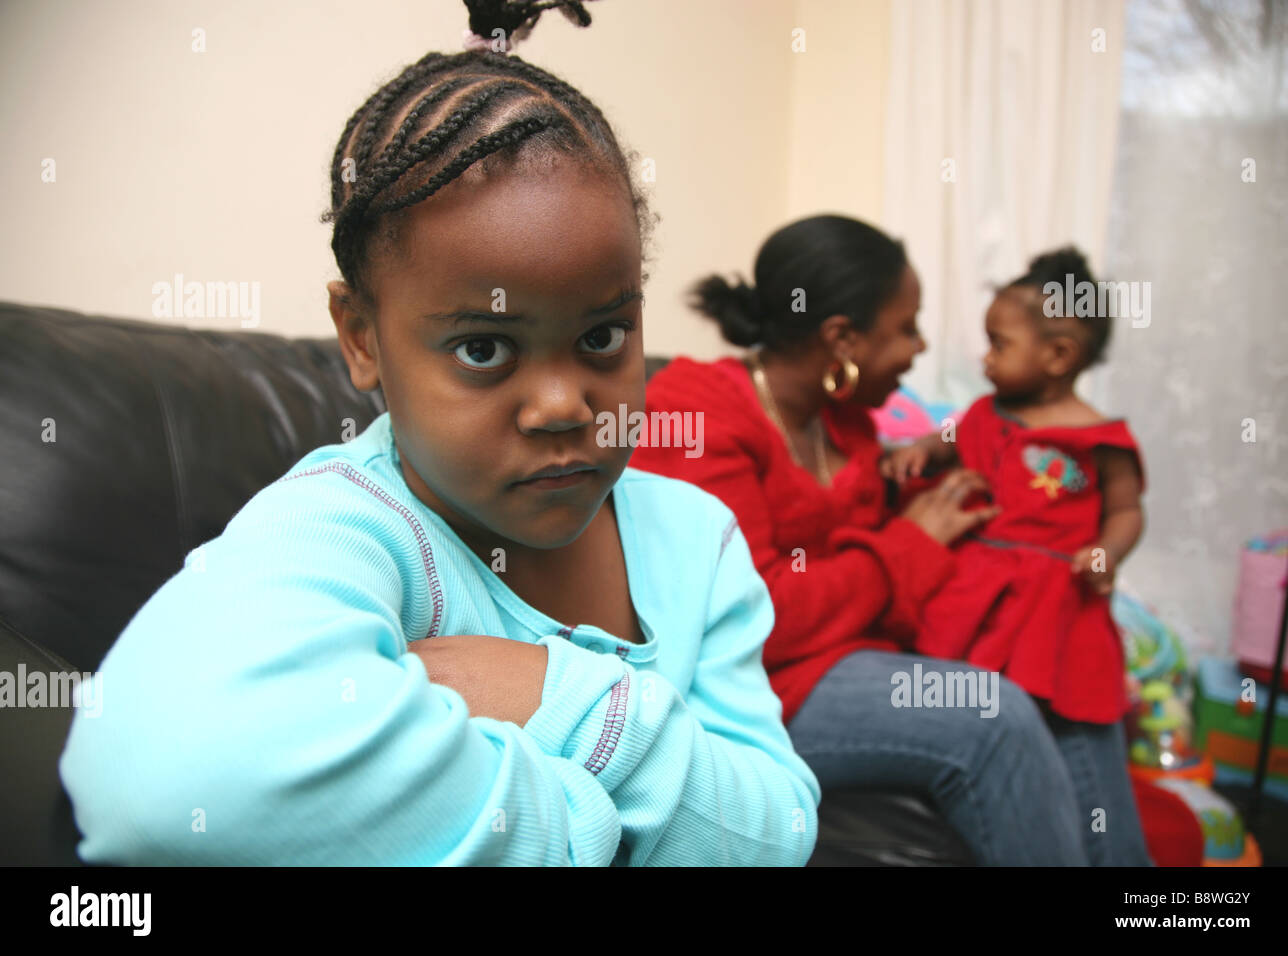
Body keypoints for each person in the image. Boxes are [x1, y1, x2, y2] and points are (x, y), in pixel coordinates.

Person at [58, 0, 819, 867]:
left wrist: (553, 696)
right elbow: (160, 782)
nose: (564, 405)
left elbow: (776, 833)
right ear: (360, 337)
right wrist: (590, 827)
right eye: (485, 348)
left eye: (603, 335)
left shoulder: (697, 542)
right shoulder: (350, 525)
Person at [631, 215, 1097, 865]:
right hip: (756, 685)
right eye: (906, 327)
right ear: (841, 338)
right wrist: (911, 542)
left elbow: (873, 535)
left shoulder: (846, 424)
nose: (920, 346)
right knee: (991, 714)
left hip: (851, 657)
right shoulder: (698, 409)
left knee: (1067, 680)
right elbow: (756, 615)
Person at [887, 248, 1150, 866]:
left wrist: (1106, 553)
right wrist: (918, 450)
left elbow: (1127, 512)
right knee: (985, 726)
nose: (985, 358)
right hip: (978, 599)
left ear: (1058, 356)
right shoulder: (983, 414)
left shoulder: (1102, 440)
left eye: (998, 344)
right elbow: (946, 442)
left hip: (1058, 607)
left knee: (1082, 747)